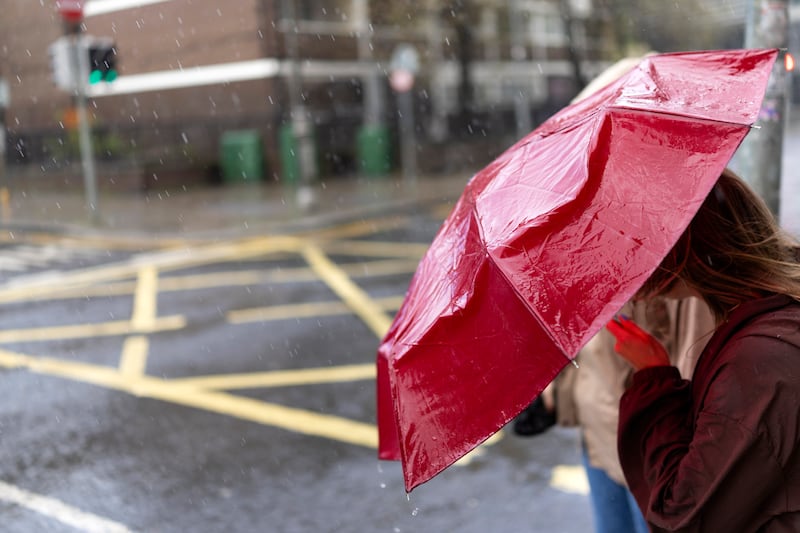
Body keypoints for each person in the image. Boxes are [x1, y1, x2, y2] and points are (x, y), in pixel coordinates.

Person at [608, 167, 800, 531]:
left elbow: (682, 517)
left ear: (679, 252)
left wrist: (653, 380)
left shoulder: (758, 362)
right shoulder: (776, 317)